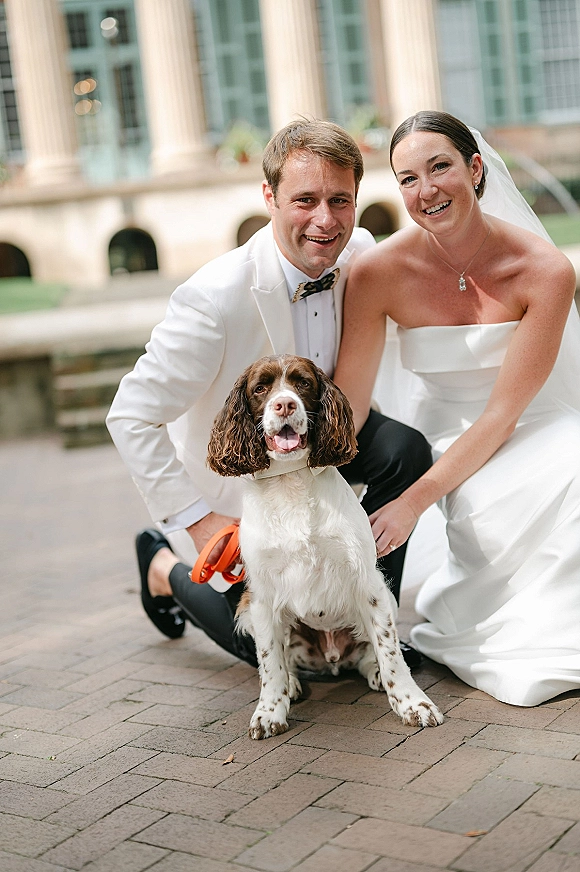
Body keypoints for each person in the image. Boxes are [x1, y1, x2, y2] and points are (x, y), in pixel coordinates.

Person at [107, 119, 432, 670]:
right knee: (262, 646)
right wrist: (198, 520)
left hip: (315, 442)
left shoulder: (360, 252)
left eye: (340, 200)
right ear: (268, 197)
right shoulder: (213, 300)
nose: (325, 221)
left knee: (404, 451)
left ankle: (367, 634)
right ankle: (161, 567)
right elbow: (130, 414)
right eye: (304, 200)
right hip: (239, 481)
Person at [333, 110, 580, 707]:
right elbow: (351, 405)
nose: (426, 190)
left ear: (474, 169)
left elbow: (503, 415)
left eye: (439, 166)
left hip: (529, 419)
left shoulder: (546, 270)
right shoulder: (378, 273)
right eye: (407, 178)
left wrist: (412, 501)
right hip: (442, 429)